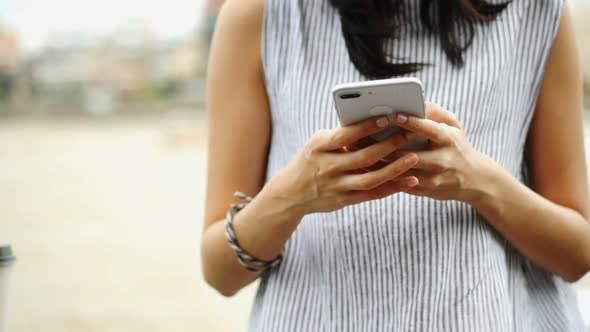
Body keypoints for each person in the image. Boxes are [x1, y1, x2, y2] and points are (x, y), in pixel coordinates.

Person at [202, 0, 590, 330]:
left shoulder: (537, 12)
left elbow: (578, 254)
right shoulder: (259, 15)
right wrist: (293, 196)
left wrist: (479, 182)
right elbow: (220, 272)